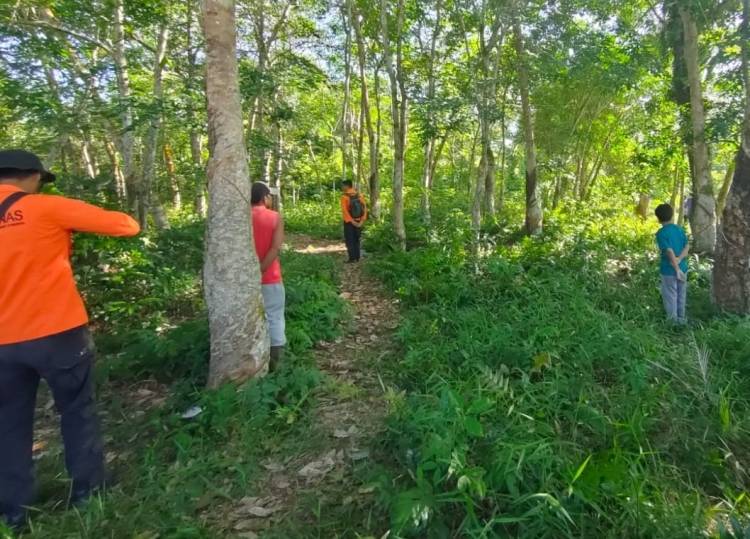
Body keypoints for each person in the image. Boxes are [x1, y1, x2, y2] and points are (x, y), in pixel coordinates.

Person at [0, 149, 140, 530]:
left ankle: (13, 512)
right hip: (56, 332)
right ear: (32, 177)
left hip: (2, 343)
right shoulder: (45, 208)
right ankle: (87, 490)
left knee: (9, 423)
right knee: (77, 411)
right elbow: (127, 226)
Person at [251, 182, 286, 370]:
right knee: (275, 317)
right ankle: (275, 364)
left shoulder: (239, 217)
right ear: (264, 197)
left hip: (243, 280)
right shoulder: (275, 217)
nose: (271, 199)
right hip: (270, 277)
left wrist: (251, 274)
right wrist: (262, 270)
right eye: (269, 196)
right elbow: (275, 247)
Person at [654, 203, 689, 324]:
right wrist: (679, 260)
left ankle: (672, 323)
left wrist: (676, 268)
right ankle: (681, 319)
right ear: (672, 215)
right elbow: (687, 246)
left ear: (658, 219)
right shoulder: (679, 230)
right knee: (681, 295)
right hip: (683, 268)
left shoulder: (661, 233)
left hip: (669, 270)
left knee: (670, 296)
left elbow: (669, 251)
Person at [340, 180, 367, 263]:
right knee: (356, 239)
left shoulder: (344, 197)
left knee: (349, 240)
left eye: (343, 186)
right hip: (359, 221)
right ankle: (357, 257)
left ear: (347, 186)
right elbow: (365, 209)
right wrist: (361, 221)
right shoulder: (360, 195)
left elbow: (345, 211)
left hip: (349, 223)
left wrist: (352, 221)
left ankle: (352, 258)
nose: (342, 187)